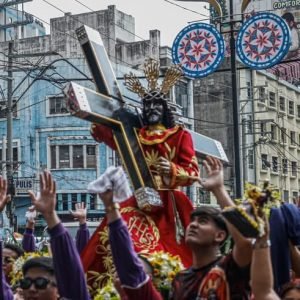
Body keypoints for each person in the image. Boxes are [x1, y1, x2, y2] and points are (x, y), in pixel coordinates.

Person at [81, 59, 200, 292]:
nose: (151, 109)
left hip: (169, 203)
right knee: (113, 235)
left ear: (165, 110)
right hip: (137, 198)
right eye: (147, 105)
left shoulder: (178, 135)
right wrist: (96, 109)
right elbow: (108, 131)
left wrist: (172, 171)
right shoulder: (133, 134)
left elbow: (193, 172)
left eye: (157, 105)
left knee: (171, 248)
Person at [170, 157, 252, 299]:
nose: (193, 225)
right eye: (192, 221)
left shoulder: (229, 268)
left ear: (220, 236)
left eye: (202, 221)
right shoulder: (180, 279)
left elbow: (246, 240)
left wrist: (218, 189)